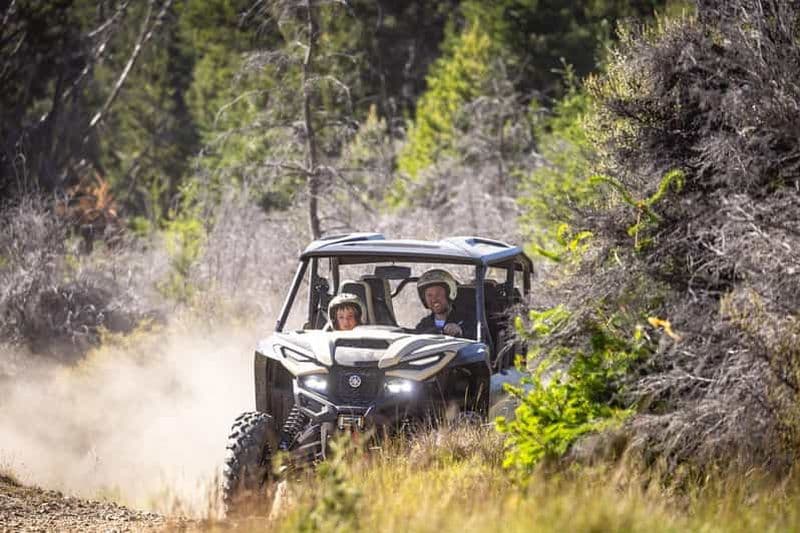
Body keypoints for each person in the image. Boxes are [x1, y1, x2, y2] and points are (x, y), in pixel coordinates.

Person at [414, 269, 476, 338]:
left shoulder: (468, 319)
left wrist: (461, 331)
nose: (434, 299)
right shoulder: (423, 325)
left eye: (438, 294)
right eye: (429, 295)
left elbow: (480, 340)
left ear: (450, 294)